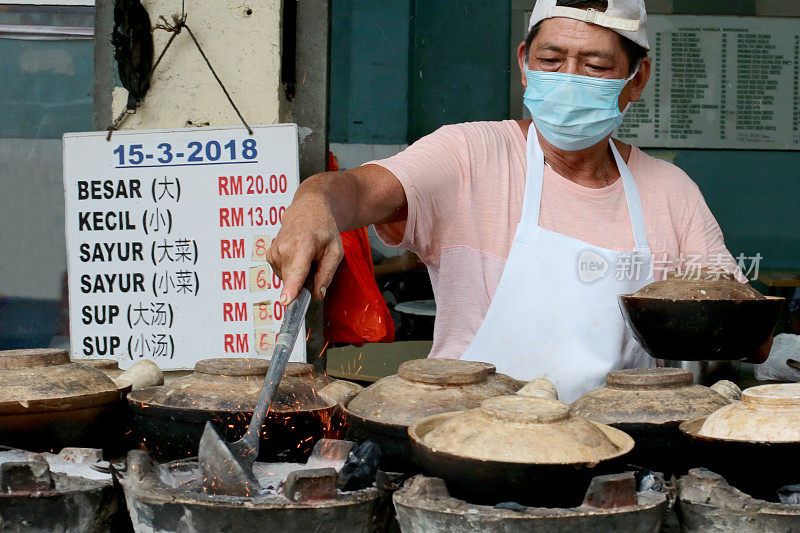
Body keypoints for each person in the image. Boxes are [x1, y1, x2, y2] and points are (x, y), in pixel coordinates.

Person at [268, 0, 767, 401]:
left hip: (617, 448)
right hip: (465, 440)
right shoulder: (469, 154)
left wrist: (739, 330)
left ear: (636, 79)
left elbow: (737, 321)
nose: (568, 78)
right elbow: (358, 189)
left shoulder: (669, 191)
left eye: (594, 65)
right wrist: (314, 202)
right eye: (551, 61)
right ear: (524, 65)